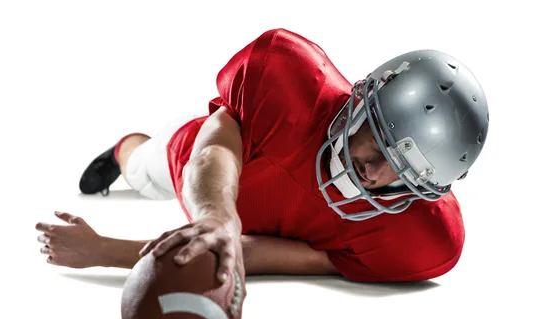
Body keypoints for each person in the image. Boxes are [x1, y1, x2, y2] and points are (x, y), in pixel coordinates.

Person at [35, 28, 489, 284]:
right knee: (145, 168)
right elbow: (214, 147)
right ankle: (124, 148)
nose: (373, 171)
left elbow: (281, 255)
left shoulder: (423, 238)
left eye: (404, 173)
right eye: (378, 138)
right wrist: (214, 216)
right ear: (362, 101)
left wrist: (105, 251)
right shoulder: (290, 77)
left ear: (428, 189)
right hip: (196, 163)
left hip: (246, 216)